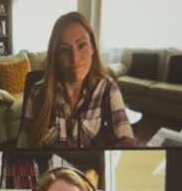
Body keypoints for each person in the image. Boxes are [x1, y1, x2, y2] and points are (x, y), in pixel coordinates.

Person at [18, 12, 136, 149]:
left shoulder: (108, 89)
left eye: (81, 45)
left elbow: (126, 140)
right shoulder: (37, 93)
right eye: (64, 50)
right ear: (55, 56)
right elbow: (23, 144)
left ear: (92, 47)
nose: (74, 59)